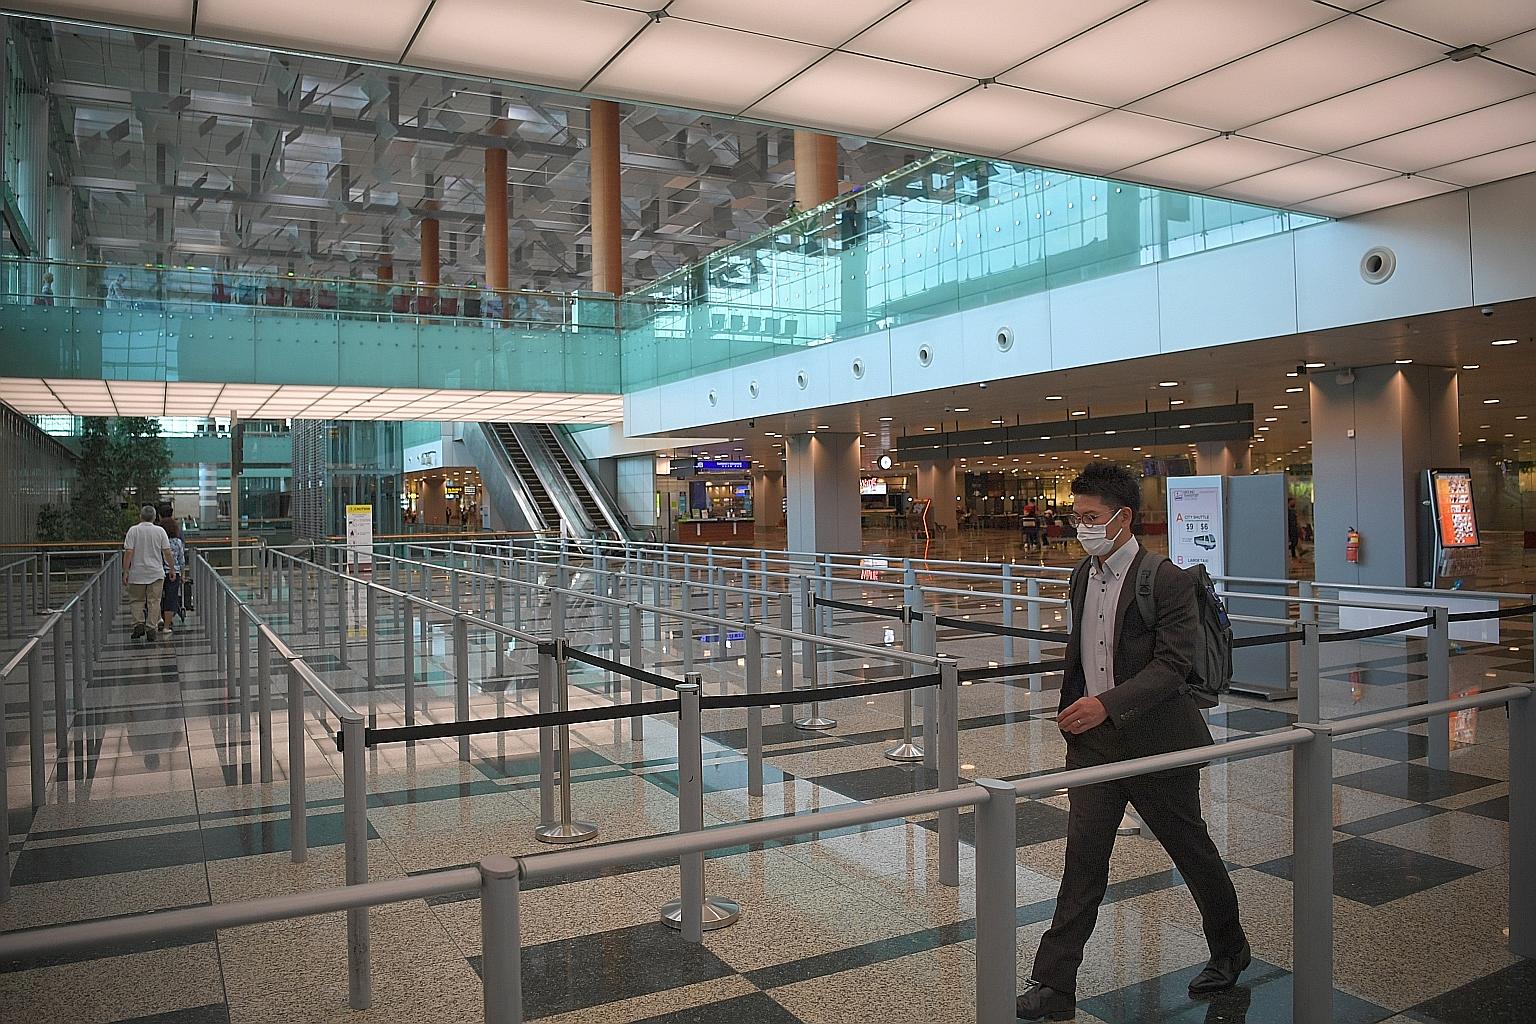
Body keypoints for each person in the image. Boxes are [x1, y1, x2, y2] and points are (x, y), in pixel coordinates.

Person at [1017, 464, 1248, 1020]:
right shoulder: (1082, 576)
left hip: (1160, 742)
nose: (1082, 527)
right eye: (1077, 517)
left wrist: (1108, 704)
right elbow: (1083, 653)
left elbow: (1174, 665)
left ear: (1124, 518)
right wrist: (1074, 710)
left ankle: (1230, 947)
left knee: (1189, 847)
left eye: (1091, 517)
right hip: (1097, 745)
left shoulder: (1165, 579)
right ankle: (1054, 984)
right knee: (1083, 858)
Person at [123, 505, 176, 642]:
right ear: (154, 517)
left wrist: (125, 571)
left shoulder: (133, 531)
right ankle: (151, 627)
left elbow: (129, 552)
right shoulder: (160, 531)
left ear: (140, 516)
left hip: (137, 573)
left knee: (136, 600)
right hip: (156, 573)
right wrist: (171, 568)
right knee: (154, 601)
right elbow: (167, 552)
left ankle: (138, 623)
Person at [159, 518, 186, 635]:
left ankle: (157, 620)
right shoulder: (178, 542)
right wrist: (183, 574)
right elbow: (182, 560)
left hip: (158, 572)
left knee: (156, 598)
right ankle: (167, 625)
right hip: (174, 572)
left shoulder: (158, 542)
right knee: (171, 597)